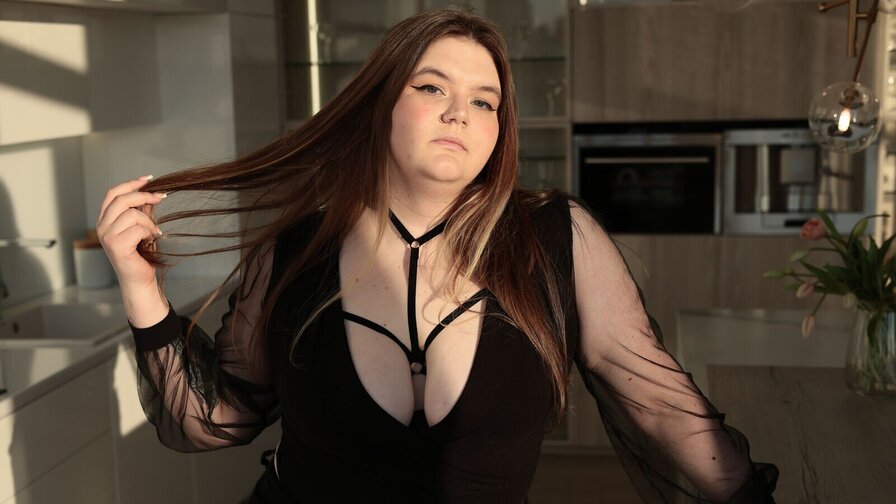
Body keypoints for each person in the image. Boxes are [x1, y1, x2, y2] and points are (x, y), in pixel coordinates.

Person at [96, 8, 778, 504]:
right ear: (380, 104)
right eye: (432, 88)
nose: (460, 113)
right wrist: (141, 289)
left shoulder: (555, 239)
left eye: (485, 101)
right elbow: (213, 420)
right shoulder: (295, 250)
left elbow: (659, 405)